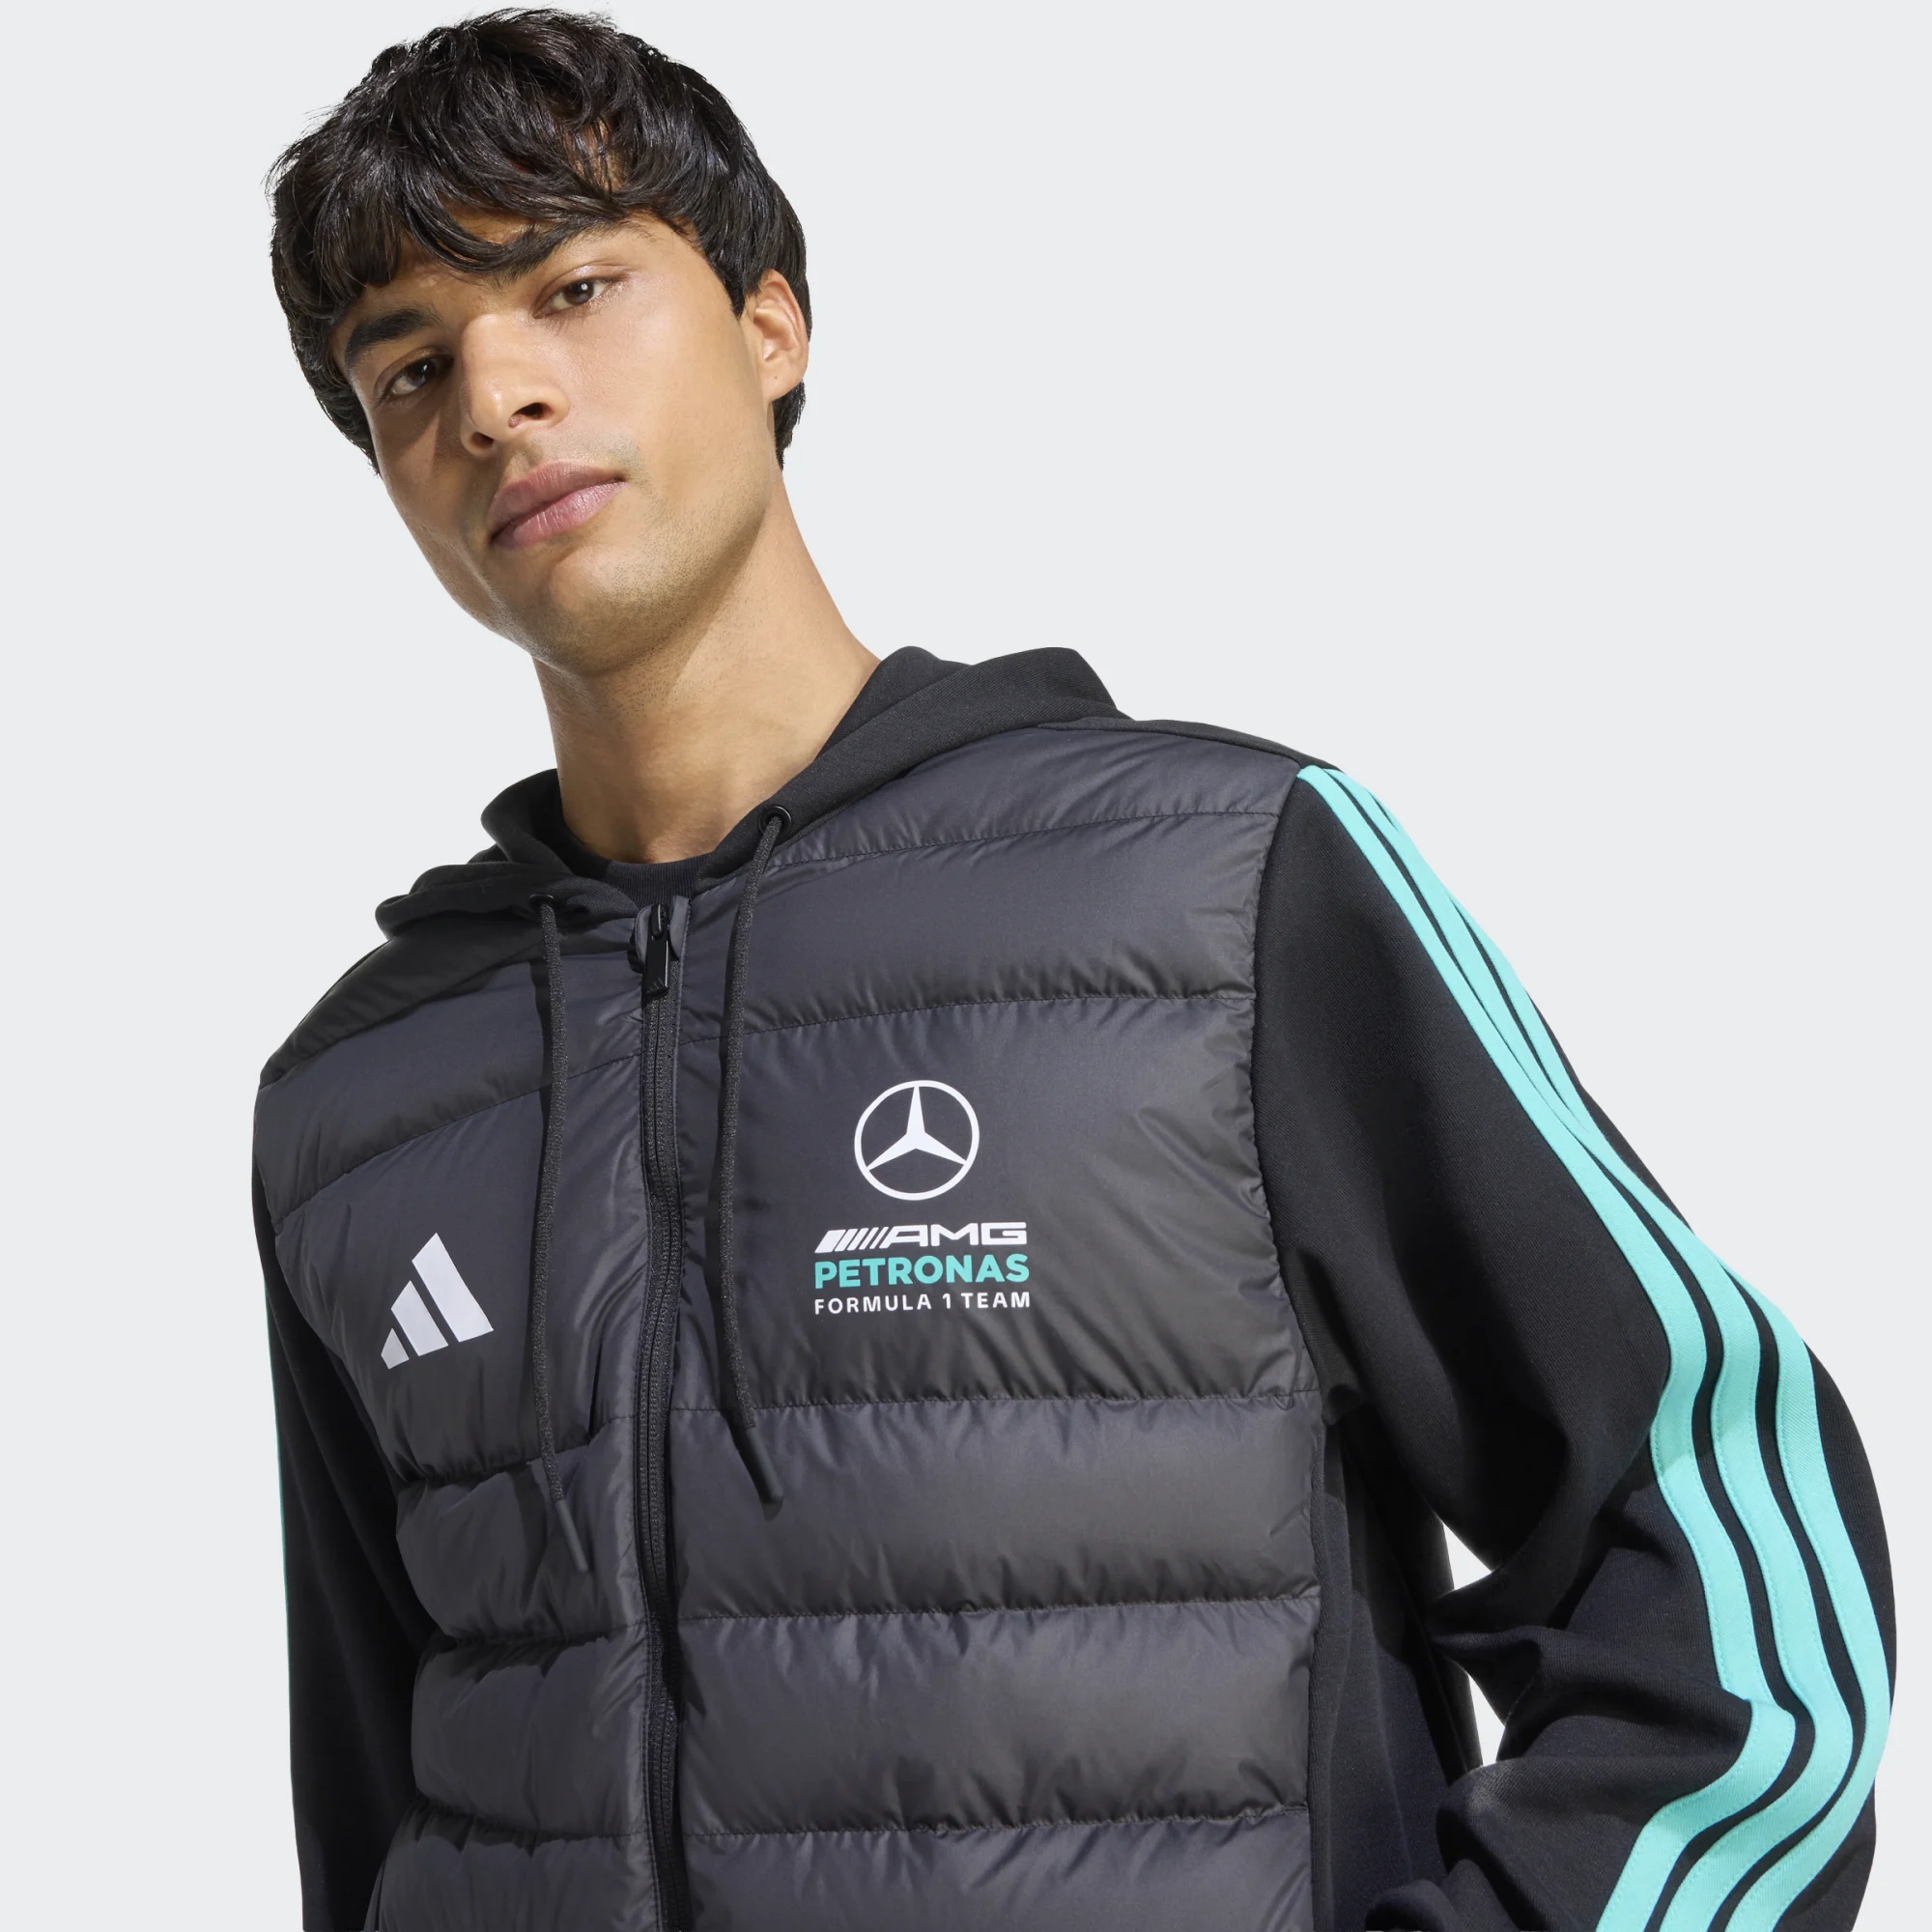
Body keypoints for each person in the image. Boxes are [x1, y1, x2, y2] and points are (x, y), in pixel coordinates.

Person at [255, 13, 1891, 1930]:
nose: (497, 395)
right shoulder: (364, 1095)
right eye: (410, 366)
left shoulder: (1221, 887)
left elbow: (1724, 1576)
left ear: (772, 325)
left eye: (574, 286)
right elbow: (372, 1803)